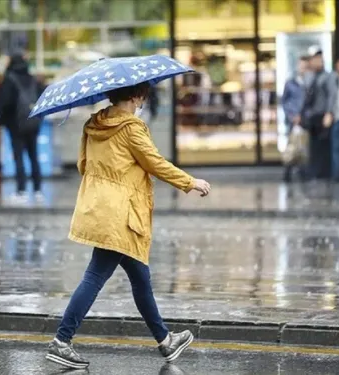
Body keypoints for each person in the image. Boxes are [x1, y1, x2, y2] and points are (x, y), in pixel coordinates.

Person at [46, 82, 211, 370]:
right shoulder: (131, 128)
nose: (142, 100)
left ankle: (165, 340)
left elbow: (83, 165)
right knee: (95, 276)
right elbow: (155, 163)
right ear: (136, 96)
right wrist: (190, 182)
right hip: (121, 214)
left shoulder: (93, 124)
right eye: (142, 95)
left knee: (140, 278)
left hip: (99, 207)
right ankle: (62, 340)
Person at [0, 52, 45, 203]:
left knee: (19, 157)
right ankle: (37, 190)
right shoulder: (32, 79)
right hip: (33, 123)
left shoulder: (9, 80)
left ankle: (21, 190)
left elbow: (5, 103)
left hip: (16, 125)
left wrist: (1, 121)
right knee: (33, 156)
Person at [301, 48, 333, 180]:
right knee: (313, 145)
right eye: (315, 60)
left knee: (324, 145)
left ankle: (324, 172)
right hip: (311, 115)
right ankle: (313, 172)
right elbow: (305, 95)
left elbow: (331, 95)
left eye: (319, 60)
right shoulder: (309, 76)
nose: (317, 62)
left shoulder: (327, 76)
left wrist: (329, 113)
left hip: (323, 114)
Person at [281, 56, 309, 182]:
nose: (303, 69)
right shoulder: (290, 83)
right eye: (301, 66)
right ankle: (287, 173)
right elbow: (285, 101)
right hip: (293, 121)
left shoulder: (309, 83)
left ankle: (303, 174)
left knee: (303, 147)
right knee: (291, 147)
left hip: (305, 121)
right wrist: (292, 116)